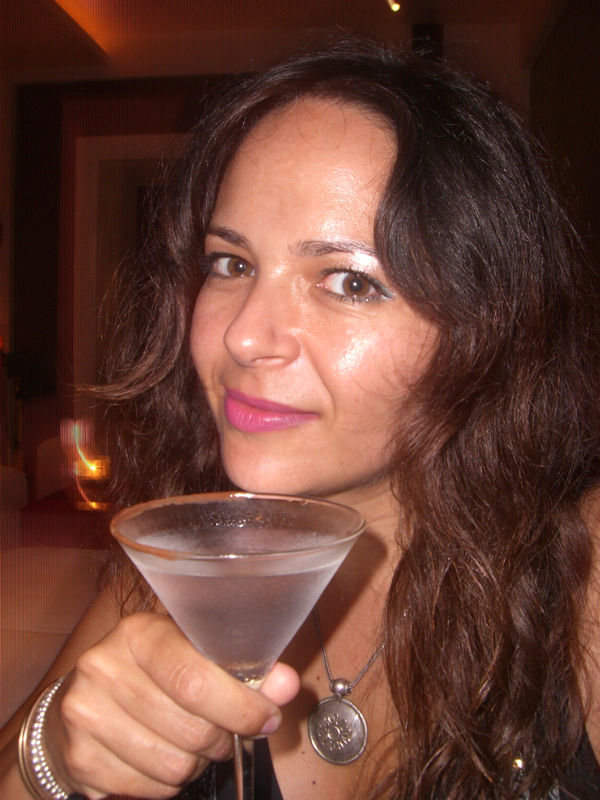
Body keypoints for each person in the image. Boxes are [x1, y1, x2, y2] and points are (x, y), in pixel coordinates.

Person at [1, 36, 600, 800]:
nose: (244, 336)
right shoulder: (188, 571)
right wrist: (53, 756)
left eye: (349, 282)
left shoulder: (581, 578)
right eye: (232, 263)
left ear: (488, 329)